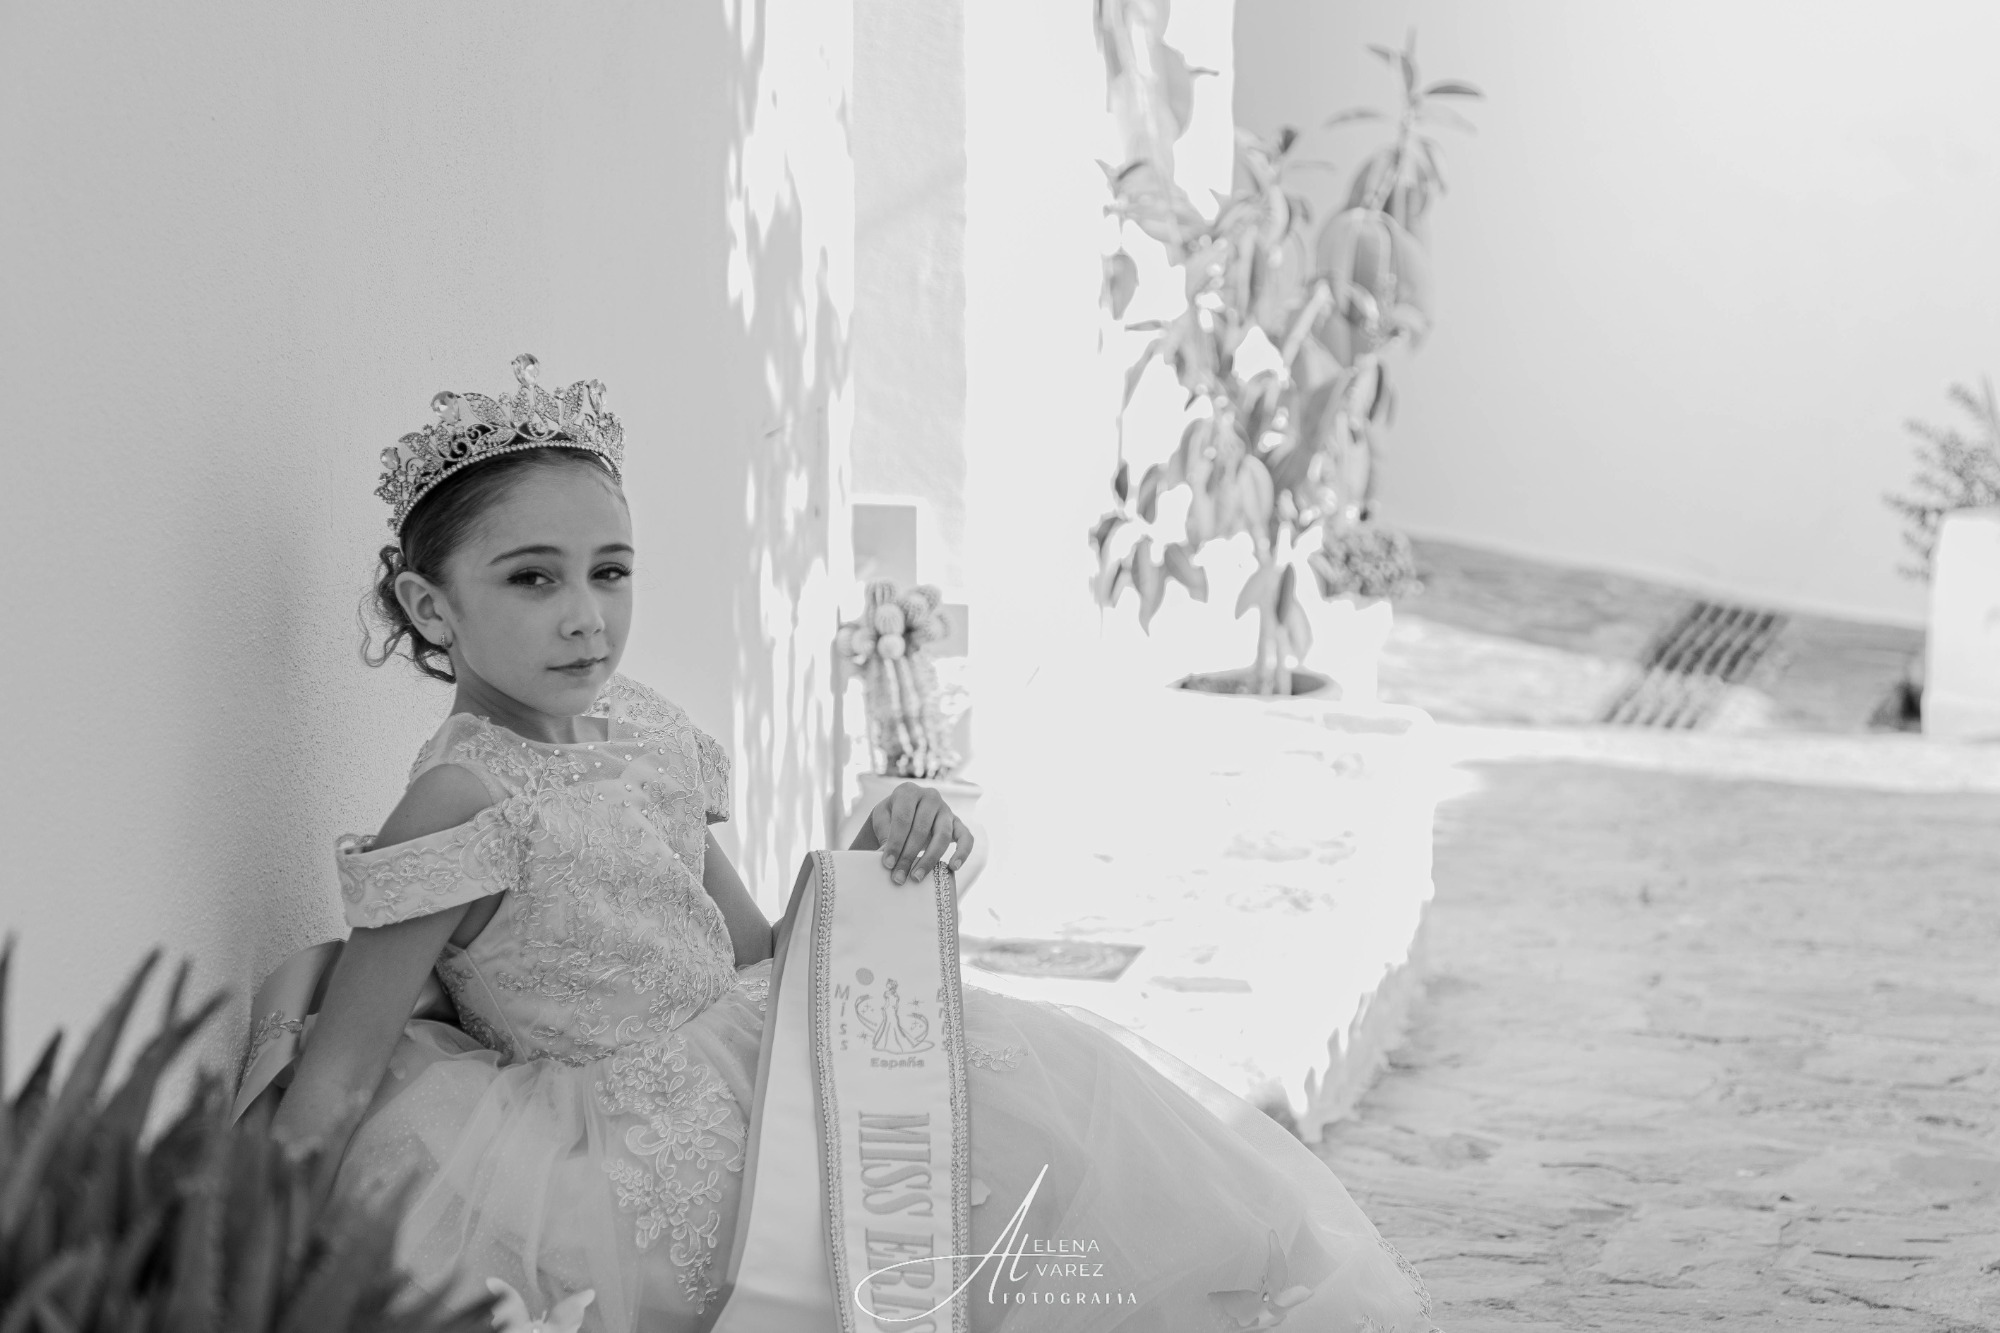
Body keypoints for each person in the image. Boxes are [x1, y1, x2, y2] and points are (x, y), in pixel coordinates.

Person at [258, 354, 1437, 1333]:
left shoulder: (648, 734)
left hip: (744, 1066)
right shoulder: (459, 800)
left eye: (609, 572)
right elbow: (342, 1073)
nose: (585, 615)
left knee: (1028, 1104)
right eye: (532, 579)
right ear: (430, 606)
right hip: (606, 1166)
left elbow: (757, 958)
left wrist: (869, 854)